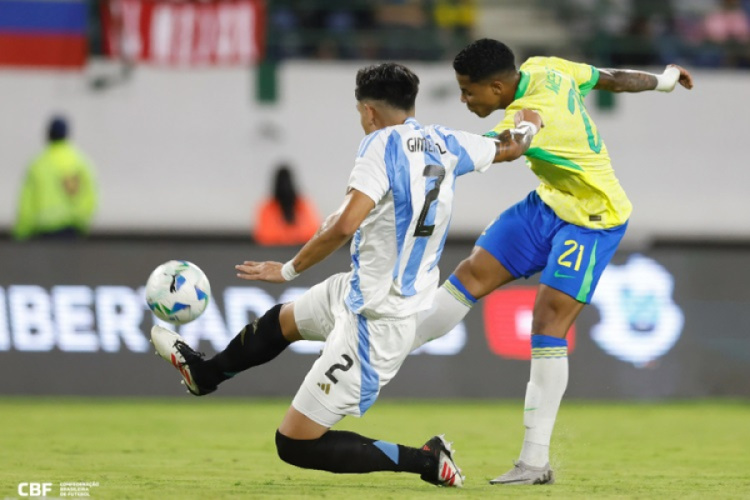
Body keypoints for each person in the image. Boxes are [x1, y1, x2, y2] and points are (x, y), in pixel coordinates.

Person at [151, 62, 542, 487]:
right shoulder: (446, 142)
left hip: (377, 320)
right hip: (359, 291)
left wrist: (287, 268)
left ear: (370, 112)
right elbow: (508, 147)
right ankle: (206, 376)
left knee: (295, 443)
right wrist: (530, 125)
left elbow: (343, 225)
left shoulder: (378, 146)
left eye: (360, 112)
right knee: (282, 321)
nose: (361, 120)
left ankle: (426, 460)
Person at [410, 38, 694, 485]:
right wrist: (664, 80)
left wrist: (434, 154)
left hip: (592, 218)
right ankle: (382, 353)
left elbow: (514, 141)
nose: (464, 99)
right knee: (471, 274)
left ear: (499, 87)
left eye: (469, 91)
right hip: (548, 204)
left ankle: (534, 462)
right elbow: (611, 78)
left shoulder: (525, 117)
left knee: (546, 323)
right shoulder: (546, 67)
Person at [13, 115, 98, 240]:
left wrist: (21, 233)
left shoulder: (38, 164)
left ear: (48, 135)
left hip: (42, 232)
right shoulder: (80, 162)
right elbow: (90, 197)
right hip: (71, 230)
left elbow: (26, 203)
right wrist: (82, 224)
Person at [253, 165, 321, 246]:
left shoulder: (304, 205)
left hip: (301, 250)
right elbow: (264, 235)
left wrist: (288, 236)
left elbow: (312, 231)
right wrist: (290, 236)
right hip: (274, 252)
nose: (284, 187)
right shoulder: (267, 207)